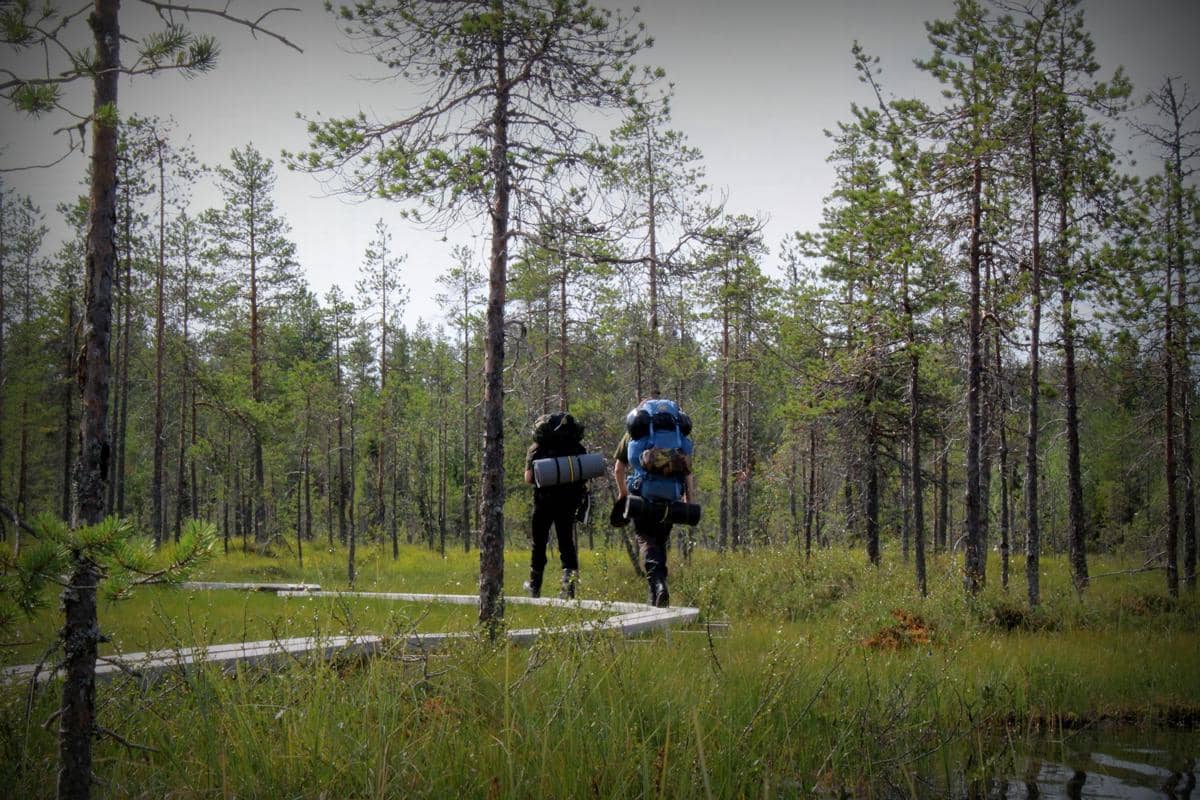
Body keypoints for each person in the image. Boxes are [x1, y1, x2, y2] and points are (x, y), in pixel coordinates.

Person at [613, 393, 695, 607]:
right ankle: (657, 592)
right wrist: (688, 499)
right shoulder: (676, 434)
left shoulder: (634, 435)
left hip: (644, 494)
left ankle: (658, 584)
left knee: (645, 539)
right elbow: (687, 472)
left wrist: (623, 494)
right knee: (660, 540)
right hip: (671, 495)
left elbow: (619, 469)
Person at [524, 413, 588, 599]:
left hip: (543, 502)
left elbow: (528, 478)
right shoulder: (577, 447)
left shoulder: (536, 448)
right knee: (566, 543)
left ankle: (534, 586)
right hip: (568, 502)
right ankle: (568, 588)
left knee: (539, 543)